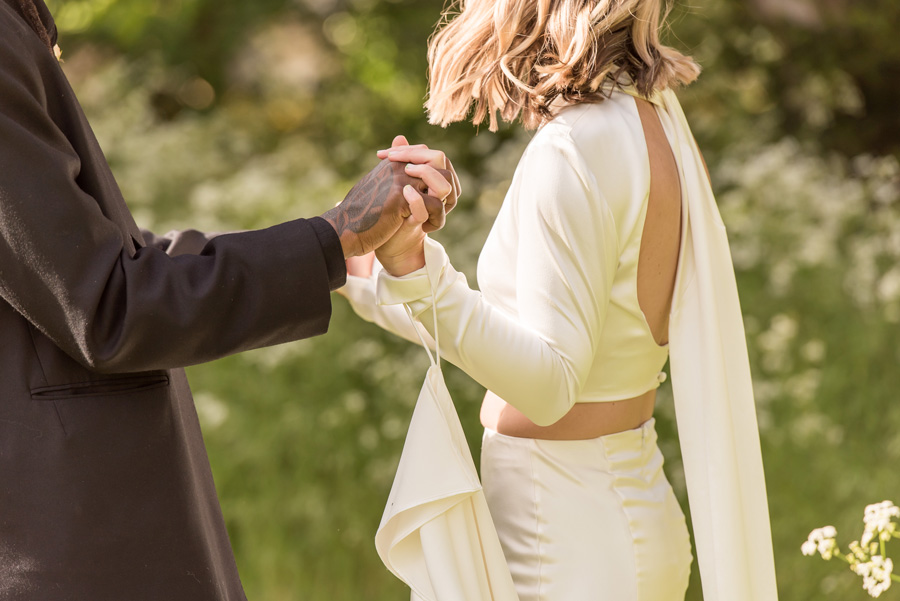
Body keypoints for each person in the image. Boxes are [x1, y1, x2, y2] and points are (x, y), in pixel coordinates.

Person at [0, 1, 460, 599]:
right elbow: (107, 304)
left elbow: (108, 262)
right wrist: (330, 235)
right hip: (70, 549)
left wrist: (332, 247)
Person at [340, 0, 780, 599]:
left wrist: (421, 272)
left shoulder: (575, 146)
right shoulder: (646, 120)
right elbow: (528, 346)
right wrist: (371, 271)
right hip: (605, 519)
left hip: (561, 540)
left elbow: (549, 385)